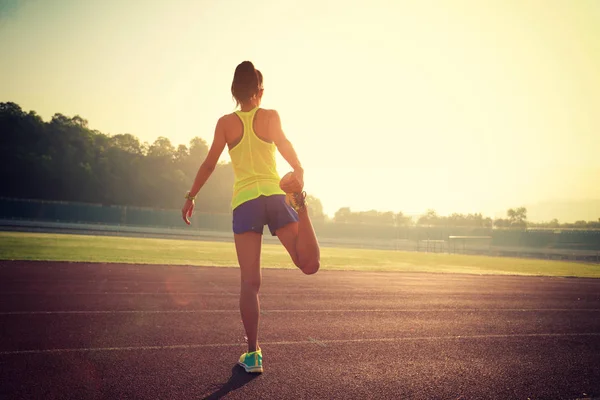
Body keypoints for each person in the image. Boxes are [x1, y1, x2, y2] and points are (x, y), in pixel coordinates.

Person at [181, 61, 321, 374]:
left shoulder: (225, 123)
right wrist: (298, 171)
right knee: (307, 263)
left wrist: (191, 197)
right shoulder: (270, 117)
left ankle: (253, 355)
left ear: (234, 92)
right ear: (260, 91)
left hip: (245, 201)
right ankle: (303, 206)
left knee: (250, 282)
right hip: (275, 196)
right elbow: (285, 146)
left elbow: (208, 164)